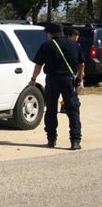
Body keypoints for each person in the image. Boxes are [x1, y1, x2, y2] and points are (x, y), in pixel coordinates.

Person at [29, 22, 82, 150]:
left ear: (50, 33)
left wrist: (33, 79)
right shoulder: (74, 45)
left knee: (51, 110)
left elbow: (38, 65)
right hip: (68, 80)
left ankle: (51, 140)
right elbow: (81, 64)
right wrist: (79, 79)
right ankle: (75, 141)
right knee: (73, 110)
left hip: (53, 80)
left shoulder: (46, 46)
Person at [60, 27, 85, 113]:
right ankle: (64, 104)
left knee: (79, 86)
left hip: (76, 70)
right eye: (74, 38)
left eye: (77, 38)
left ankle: (73, 100)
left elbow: (81, 61)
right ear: (69, 36)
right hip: (68, 72)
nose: (76, 40)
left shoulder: (77, 46)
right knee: (68, 89)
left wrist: (81, 72)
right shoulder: (65, 45)